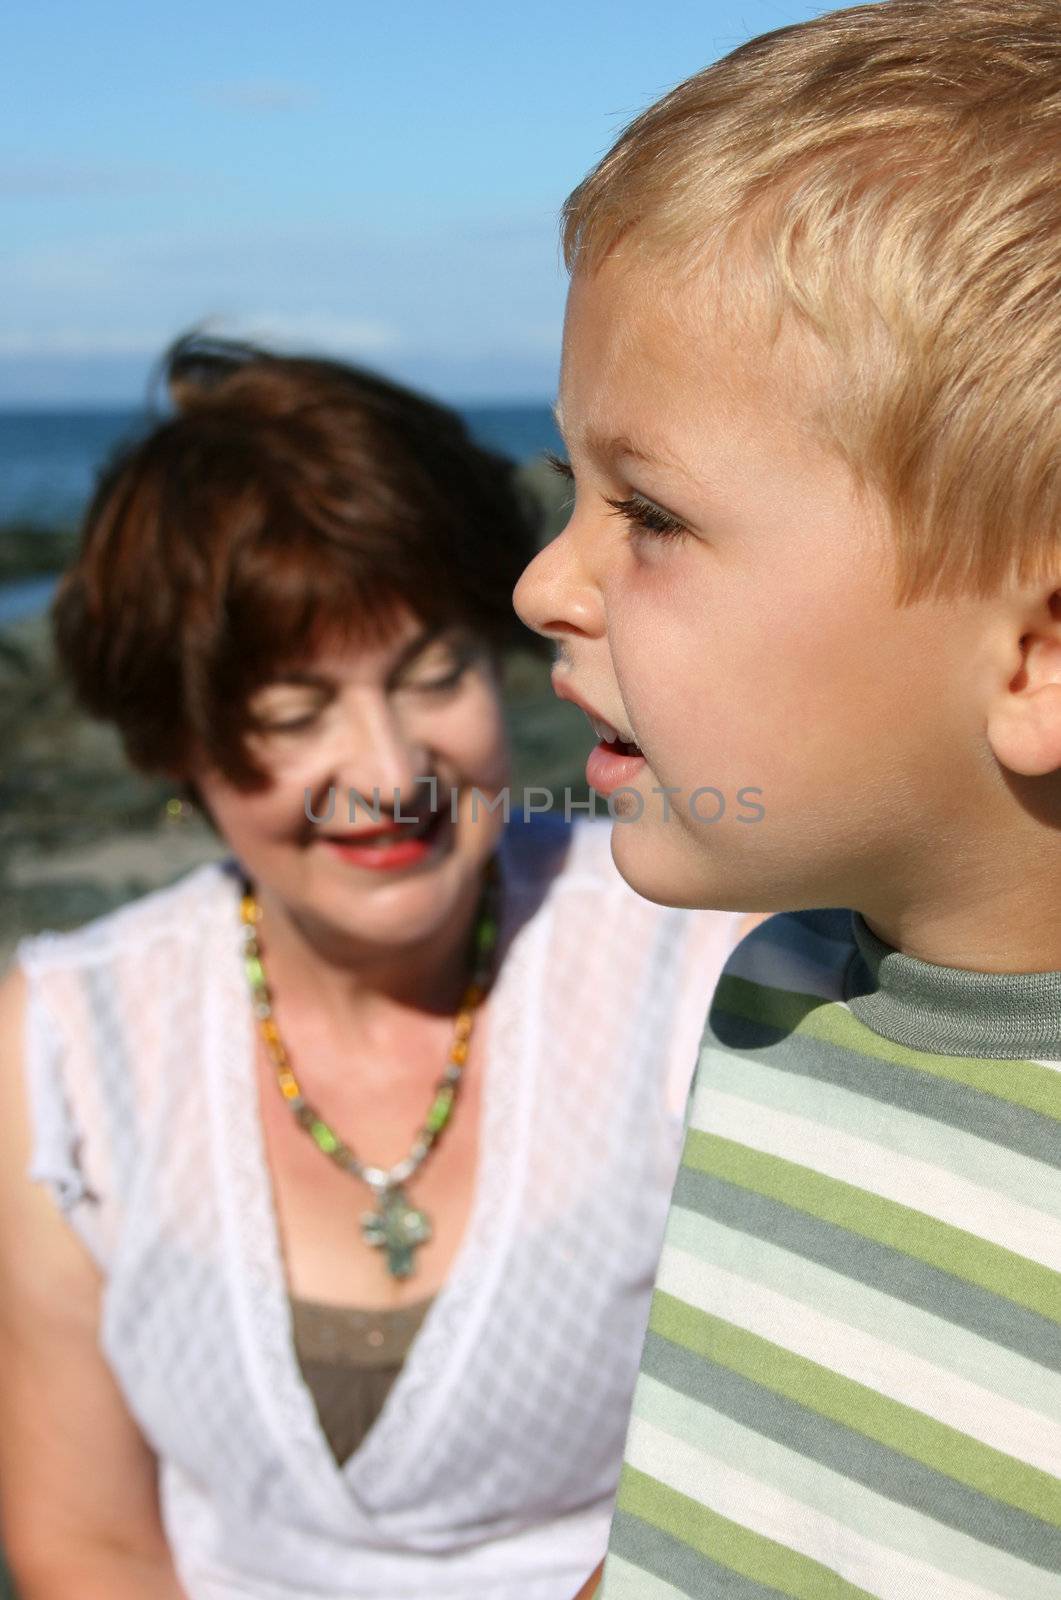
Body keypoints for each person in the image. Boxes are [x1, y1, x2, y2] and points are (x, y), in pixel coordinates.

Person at [0, 337, 752, 1600]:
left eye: (432, 673)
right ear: (177, 739)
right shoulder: (58, 1050)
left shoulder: (703, 965)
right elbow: (89, 1542)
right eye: (295, 715)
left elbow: (750, 1499)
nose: (389, 765)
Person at [513, 2, 1061, 1596]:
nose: (549, 579)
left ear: (1036, 660)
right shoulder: (782, 991)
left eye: (652, 514)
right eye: (571, 492)